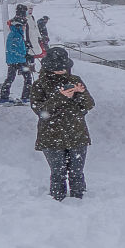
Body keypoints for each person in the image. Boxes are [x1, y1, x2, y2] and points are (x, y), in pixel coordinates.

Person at [29, 47, 93, 201]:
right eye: (57, 68)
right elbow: (41, 111)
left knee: (77, 171)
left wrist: (81, 94)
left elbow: (89, 105)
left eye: (64, 67)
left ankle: (80, 198)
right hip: (51, 136)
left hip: (76, 133)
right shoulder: (39, 85)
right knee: (58, 172)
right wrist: (61, 97)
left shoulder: (74, 80)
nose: (61, 71)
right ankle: (58, 200)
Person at [0, 3, 34, 104]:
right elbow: (17, 49)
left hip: (14, 60)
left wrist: (26, 47)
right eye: (23, 26)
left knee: (10, 78)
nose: (24, 27)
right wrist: (25, 55)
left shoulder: (14, 33)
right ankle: (26, 96)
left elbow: (17, 47)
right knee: (28, 77)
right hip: (19, 60)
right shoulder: (16, 34)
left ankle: (4, 97)